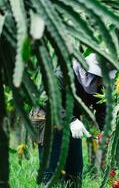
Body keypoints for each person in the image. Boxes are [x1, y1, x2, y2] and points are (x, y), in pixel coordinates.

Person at [38, 53, 115, 187]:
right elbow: (47, 100)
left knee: (75, 171)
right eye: (101, 78)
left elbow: (102, 109)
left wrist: (104, 131)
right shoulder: (62, 73)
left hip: (72, 121)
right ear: (90, 74)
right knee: (52, 171)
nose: (102, 82)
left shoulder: (97, 83)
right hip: (47, 118)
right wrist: (71, 120)